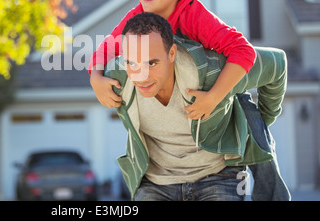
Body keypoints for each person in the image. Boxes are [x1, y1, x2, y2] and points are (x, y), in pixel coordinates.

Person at [89, 0, 290, 201]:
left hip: (216, 118)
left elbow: (243, 51)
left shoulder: (193, 15)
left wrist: (214, 96)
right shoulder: (137, 21)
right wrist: (96, 77)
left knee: (244, 109)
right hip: (162, 176)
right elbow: (106, 48)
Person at [105, 12, 287, 201]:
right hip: (156, 182)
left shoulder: (212, 72)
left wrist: (264, 119)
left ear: (171, 53)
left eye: (152, 63)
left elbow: (277, 65)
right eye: (131, 63)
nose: (141, 75)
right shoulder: (116, 79)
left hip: (218, 175)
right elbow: (99, 63)